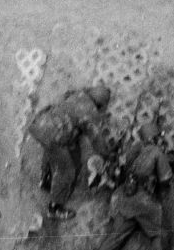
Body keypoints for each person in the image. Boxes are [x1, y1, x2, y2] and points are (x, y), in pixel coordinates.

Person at [90, 120, 174, 250]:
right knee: (159, 230)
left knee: (116, 234)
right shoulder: (157, 152)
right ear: (156, 138)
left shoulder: (133, 148)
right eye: (159, 137)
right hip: (143, 200)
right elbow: (165, 179)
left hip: (123, 196)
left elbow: (122, 167)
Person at [27, 84, 113, 221]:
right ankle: (54, 208)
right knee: (67, 171)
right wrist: (108, 155)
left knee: (50, 149)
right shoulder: (91, 112)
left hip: (39, 123)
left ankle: (45, 179)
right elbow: (96, 139)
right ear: (100, 104)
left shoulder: (77, 94)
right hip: (53, 136)